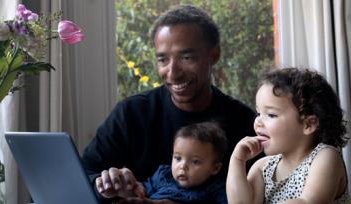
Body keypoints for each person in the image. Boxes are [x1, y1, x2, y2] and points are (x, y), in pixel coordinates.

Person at [81, 5, 257, 203]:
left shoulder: (244, 124)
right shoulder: (131, 113)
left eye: (186, 57)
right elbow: (83, 174)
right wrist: (103, 184)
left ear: (213, 55)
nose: (173, 72)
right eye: (163, 60)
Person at [226, 68, 350, 204]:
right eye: (258, 113)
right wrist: (237, 160)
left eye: (271, 115)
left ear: (308, 124)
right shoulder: (263, 168)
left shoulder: (325, 157)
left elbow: (309, 201)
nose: (258, 122)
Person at [111, 122, 228, 204]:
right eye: (178, 158)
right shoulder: (163, 175)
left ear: (215, 168)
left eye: (195, 161)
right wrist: (131, 188)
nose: (182, 166)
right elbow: (142, 192)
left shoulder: (216, 190)